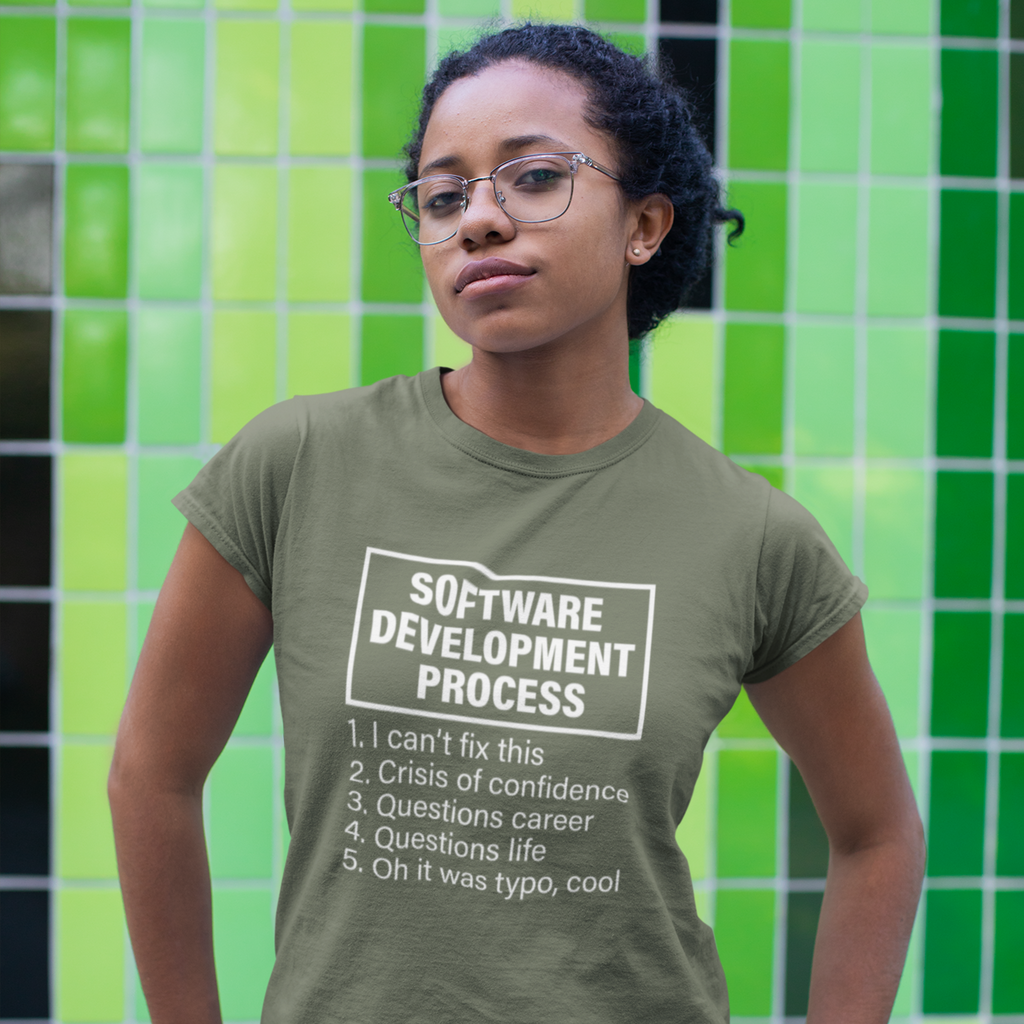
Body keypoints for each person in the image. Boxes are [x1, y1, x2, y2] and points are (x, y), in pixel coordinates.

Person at [109, 23, 926, 1024]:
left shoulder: (751, 535)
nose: (478, 221)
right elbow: (152, 771)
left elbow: (876, 831)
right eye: (443, 196)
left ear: (645, 225)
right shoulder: (297, 465)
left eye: (533, 178)